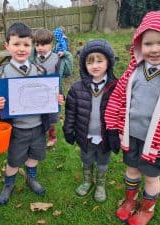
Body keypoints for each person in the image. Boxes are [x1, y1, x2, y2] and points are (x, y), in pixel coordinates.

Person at [105, 9, 160, 225]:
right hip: (131, 136)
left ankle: (147, 208)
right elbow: (116, 99)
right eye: (148, 43)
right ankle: (129, 201)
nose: (154, 49)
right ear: (139, 44)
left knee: (151, 177)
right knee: (132, 169)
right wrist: (112, 127)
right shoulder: (132, 72)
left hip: (157, 143)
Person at [0, 22, 64, 205]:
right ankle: (9, 185)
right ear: (7, 46)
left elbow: (49, 94)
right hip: (16, 129)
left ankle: (31, 179)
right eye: (16, 44)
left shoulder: (40, 71)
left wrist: (56, 100)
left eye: (26, 45)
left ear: (31, 47)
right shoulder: (1, 73)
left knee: (34, 156)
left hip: (38, 126)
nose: (21, 49)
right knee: (14, 160)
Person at [63, 39, 117, 202]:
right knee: (86, 159)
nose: (95, 65)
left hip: (105, 136)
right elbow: (70, 112)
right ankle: (88, 181)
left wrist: (118, 134)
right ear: (84, 65)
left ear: (109, 63)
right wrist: (68, 130)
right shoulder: (76, 89)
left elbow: (121, 114)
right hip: (85, 135)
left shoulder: (116, 87)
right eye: (90, 61)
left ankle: (100, 184)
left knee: (102, 160)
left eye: (100, 61)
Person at [31, 28, 62, 147]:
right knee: (39, 117)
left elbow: (63, 75)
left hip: (52, 94)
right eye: (37, 44)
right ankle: (40, 137)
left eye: (44, 44)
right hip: (37, 93)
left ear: (51, 44)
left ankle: (52, 136)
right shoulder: (33, 59)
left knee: (51, 118)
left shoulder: (57, 59)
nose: (40, 48)